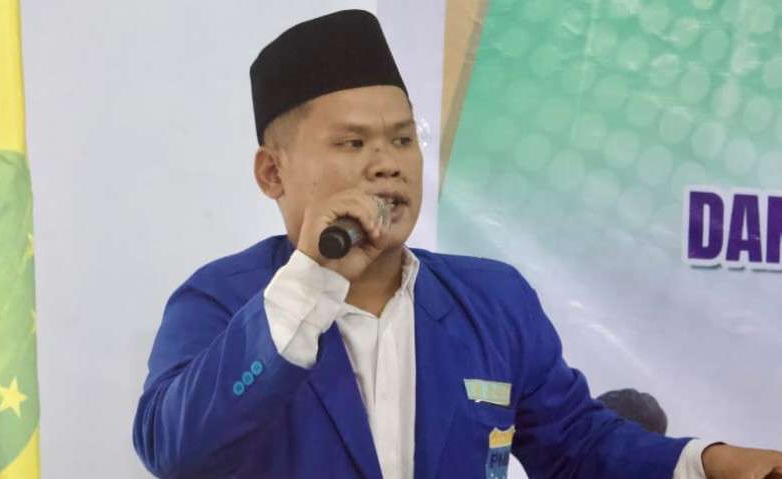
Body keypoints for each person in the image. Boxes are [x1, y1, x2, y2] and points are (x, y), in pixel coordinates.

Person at [132, 9, 782, 479]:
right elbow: (177, 450)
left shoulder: (491, 299)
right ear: (272, 173)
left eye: (401, 139)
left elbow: (577, 445)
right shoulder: (221, 301)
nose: (387, 164)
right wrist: (312, 278)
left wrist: (712, 462)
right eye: (353, 143)